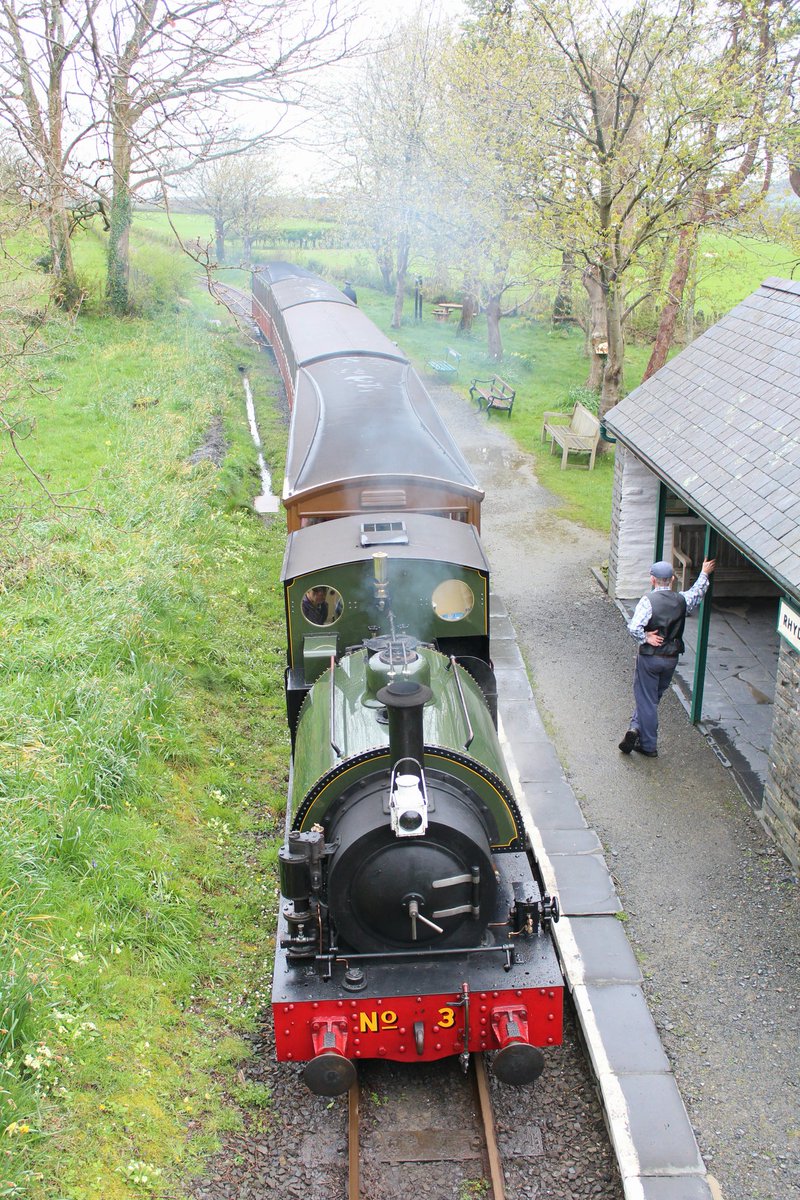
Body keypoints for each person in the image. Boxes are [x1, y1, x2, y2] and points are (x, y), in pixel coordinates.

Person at [619, 556, 716, 758]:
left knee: (646, 700)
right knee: (652, 698)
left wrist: (646, 637)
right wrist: (704, 573)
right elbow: (697, 593)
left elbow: (634, 627)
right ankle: (635, 727)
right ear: (672, 579)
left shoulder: (648, 601)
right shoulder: (681, 600)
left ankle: (648, 745)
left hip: (650, 658)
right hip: (671, 659)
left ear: (652, 580)